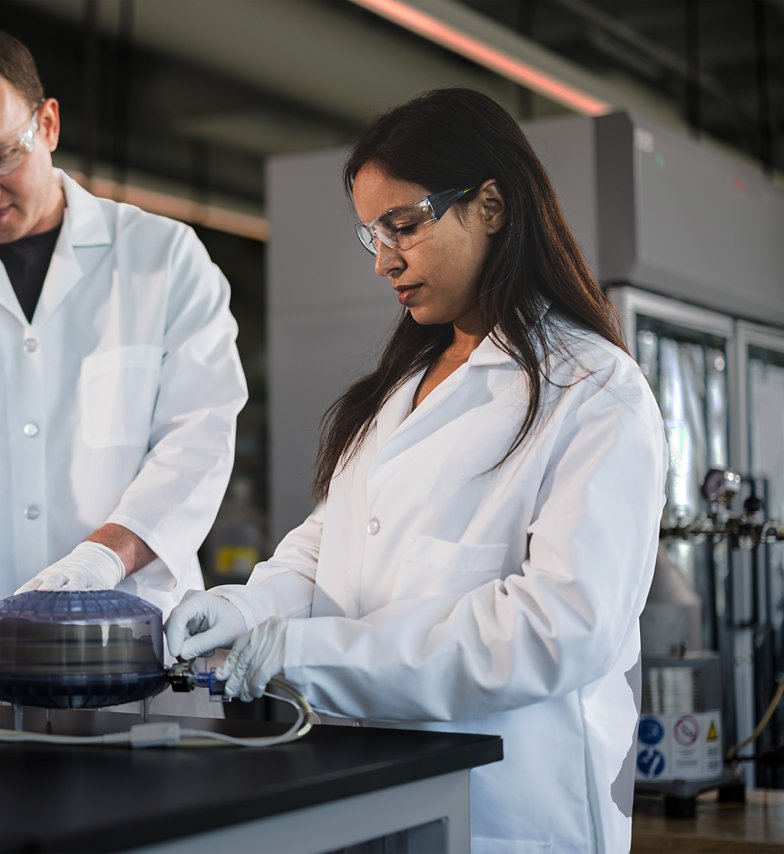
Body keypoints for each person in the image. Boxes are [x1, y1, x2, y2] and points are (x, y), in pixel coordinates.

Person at [166, 88, 666, 851]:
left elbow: (560, 629)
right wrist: (249, 607)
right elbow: (326, 542)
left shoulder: (594, 391)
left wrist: (304, 655)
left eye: (403, 225)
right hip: (365, 790)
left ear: (491, 205)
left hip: (506, 810)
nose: (384, 260)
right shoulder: (403, 387)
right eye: (372, 234)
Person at [0, 27, 247, 698]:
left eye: (0, 155)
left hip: (137, 646)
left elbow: (198, 440)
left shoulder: (165, 259)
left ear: (49, 123)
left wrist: (100, 562)